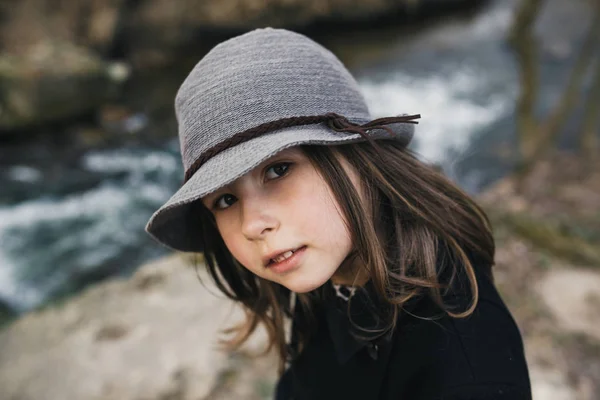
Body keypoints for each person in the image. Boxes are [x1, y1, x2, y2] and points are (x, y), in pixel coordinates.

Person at [145, 28, 532, 399]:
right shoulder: (336, 273)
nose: (252, 225)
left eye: (278, 169)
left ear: (356, 158)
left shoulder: (468, 376)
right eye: (225, 200)